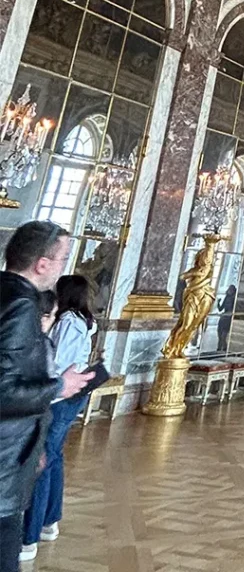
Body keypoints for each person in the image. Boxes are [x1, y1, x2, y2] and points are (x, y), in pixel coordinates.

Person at [1, 222, 93, 572]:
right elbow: (5, 389)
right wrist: (59, 387)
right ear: (42, 264)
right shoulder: (22, 305)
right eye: (63, 258)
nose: (62, 268)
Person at [22, 275, 97, 560]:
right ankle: (49, 521)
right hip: (73, 396)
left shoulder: (67, 322)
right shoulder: (83, 321)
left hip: (61, 396)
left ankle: (29, 537)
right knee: (53, 457)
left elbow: (59, 365)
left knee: (41, 460)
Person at [216, 283, 237, 353]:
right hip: (223, 316)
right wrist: (218, 303)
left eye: (231, 289)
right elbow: (220, 309)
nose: (229, 291)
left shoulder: (234, 299)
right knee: (219, 333)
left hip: (228, 317)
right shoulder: (226, 297)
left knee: (224, 335)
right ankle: (219, 348)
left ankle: (224, 348)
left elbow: (234, 309)